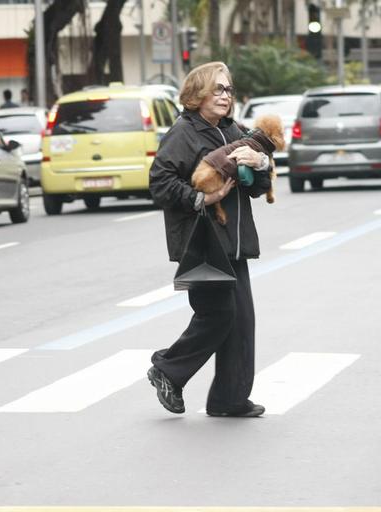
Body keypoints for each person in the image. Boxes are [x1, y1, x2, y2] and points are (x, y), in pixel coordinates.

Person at [147, 61, 272, 418]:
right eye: (218, 89)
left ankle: (228, 399)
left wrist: (260, 163)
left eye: (229, 89)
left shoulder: (234, 130)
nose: (225, 96)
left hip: (234, 243)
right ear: (197, 93)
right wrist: (202, 199)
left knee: (241, 322)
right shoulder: (183, 133)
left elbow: (258, 188)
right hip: (202, 243)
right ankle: (168, 368)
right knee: (219, 315)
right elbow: (160, 183)